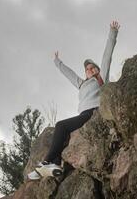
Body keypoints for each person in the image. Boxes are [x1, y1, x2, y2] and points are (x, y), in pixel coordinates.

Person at [28, 21, 120, 180]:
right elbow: (69, 74)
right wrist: (58, 62)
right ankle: (55, 165)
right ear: (85, 73)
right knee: (62, 131)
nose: (90, 70)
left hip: (93, 112)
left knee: (61, 126)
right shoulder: (82, 83)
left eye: (93, 68)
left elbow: (107, 56)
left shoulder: (101, 78)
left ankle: (47, 162)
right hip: (83, 114)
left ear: (98, 70)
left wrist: (112, 32)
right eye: (87, 69)